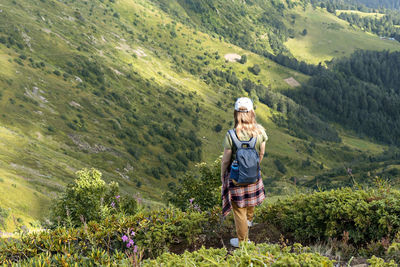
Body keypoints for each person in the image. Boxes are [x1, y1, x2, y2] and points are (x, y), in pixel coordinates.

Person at [221, 97, 267, 248]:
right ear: (252, 113)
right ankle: (249, 222)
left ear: (236, 114)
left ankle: (243, 242)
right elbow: (261, 155)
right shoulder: (260, 133)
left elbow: (226, 160)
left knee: (239, 210)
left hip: (236, 179)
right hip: (254, 176)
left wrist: (223, 175)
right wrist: (251, 168)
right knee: (250, 203)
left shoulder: (231, 135)